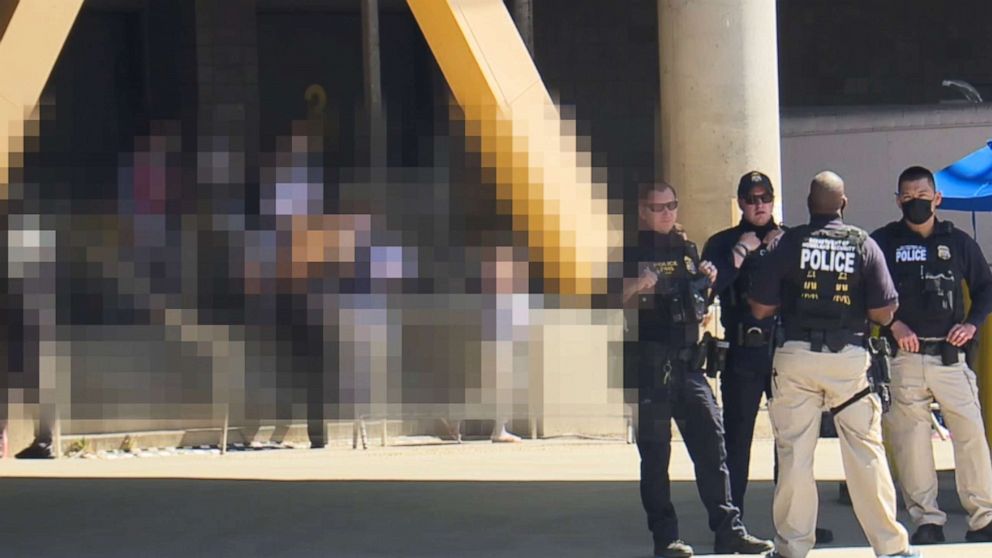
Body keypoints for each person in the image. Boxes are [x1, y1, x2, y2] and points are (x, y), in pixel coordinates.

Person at [749, 171, 918, 558]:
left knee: (794, 455)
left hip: (797, 359)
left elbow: (760, 308)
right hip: (849, 363)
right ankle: (892, 549)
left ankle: (791, 548)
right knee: (865, 453)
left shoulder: (790, 243)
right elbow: (883, 311)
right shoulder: (864, 243)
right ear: (844, 204)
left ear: (809, 205)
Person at [624, 181, 772, 558]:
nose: (667, 213)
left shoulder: (685, 247)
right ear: (643, 211)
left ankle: (729, 530)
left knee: (713, 448)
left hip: (689, 362)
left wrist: (705, 284)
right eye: (658, 208)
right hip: (649, 365)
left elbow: (697, 303)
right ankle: (666, 537)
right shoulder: (627, 250)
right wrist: (634, 286)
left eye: (672, 205)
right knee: (656, 458)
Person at [871, 165, 992, 545]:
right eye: (907, 197)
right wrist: (892, 325)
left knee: (971, 437)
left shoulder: (957, 242)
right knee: (912, 443)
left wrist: (972, 323)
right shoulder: (884, 242)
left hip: (951, 358)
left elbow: (986, 287)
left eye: (922, 196)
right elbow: (864, 289)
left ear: (937, 198)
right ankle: (927, 521)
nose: (915, 203)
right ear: (897, 201)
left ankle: (984, 518)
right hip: (904, 358)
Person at [702, 171, 784, 511]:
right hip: (742, 352)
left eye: (765, 197)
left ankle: (796, 516)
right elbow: (706, 290)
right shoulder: (723, 243)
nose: (759, 204)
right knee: (737, 439)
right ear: (740, 203)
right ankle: (732, 518)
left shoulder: (789, 239)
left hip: (783, 351)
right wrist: (740, 252)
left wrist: (782, 252)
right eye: (752, 199)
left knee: (791, 440)